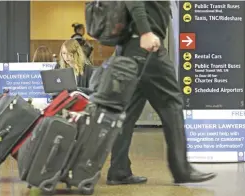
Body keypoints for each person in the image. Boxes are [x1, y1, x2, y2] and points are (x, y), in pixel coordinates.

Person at [90, 1, 217, 185]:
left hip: (131, 48)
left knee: (127, 112)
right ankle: (182, 169)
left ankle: (119, 170)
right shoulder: (145, 34)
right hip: (146, 45)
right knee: (172, 103)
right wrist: (145, 32)